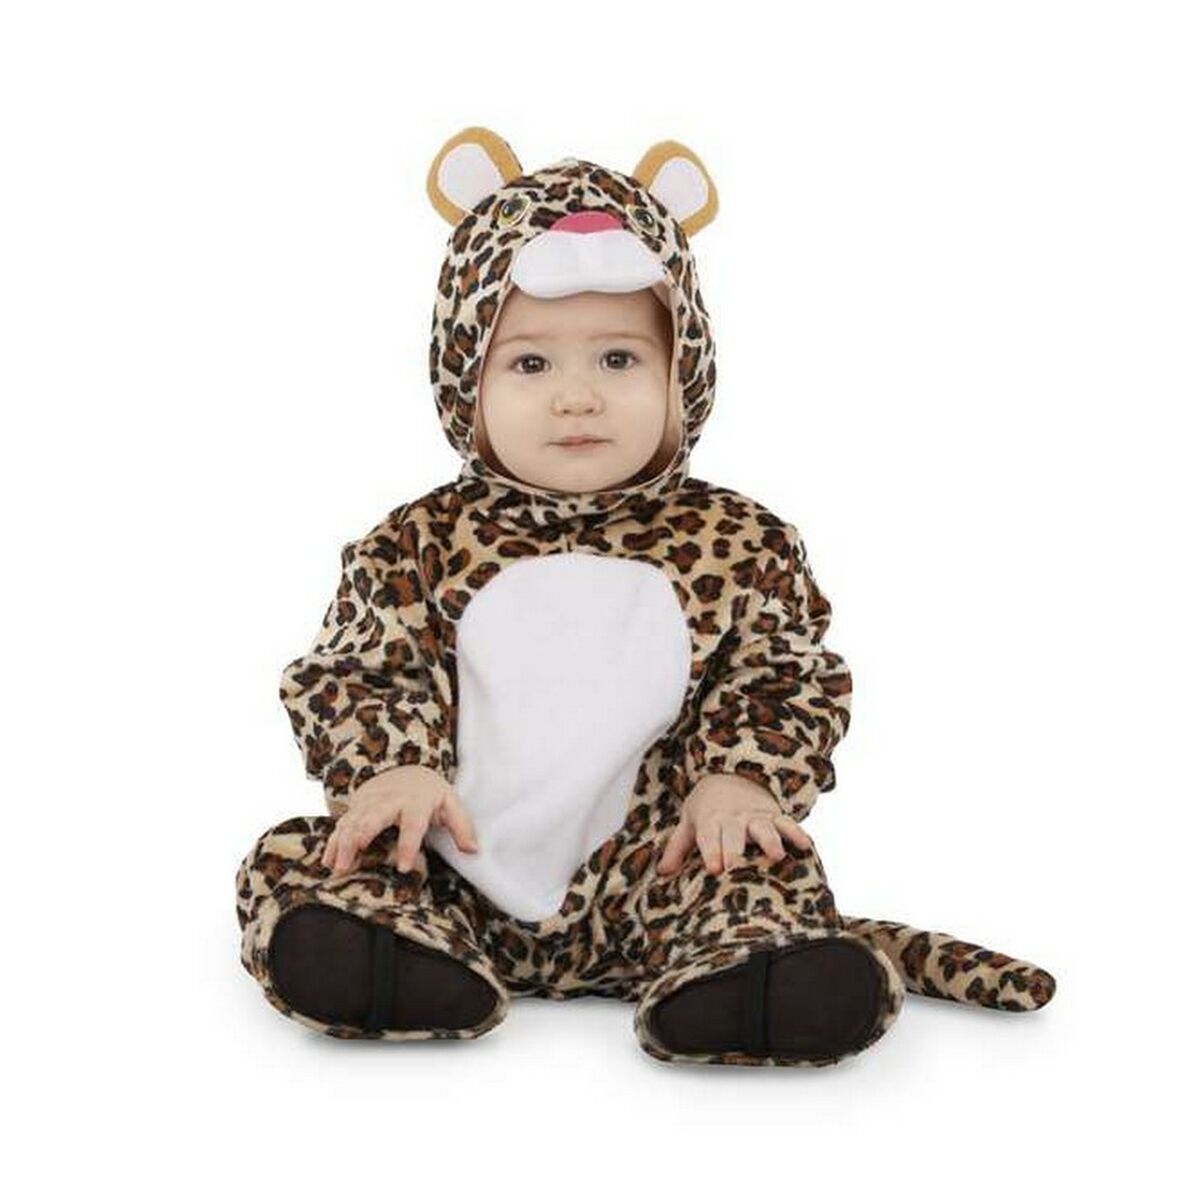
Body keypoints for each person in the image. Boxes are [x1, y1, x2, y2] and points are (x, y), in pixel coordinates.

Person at [235, 127, 1055, 1067]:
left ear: (683, 371)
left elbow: (782, 676)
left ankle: (748, 971)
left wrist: (740, 778)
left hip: (663, 877)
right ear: (464, 376)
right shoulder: (413, 544)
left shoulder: (742, 543)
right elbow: (358, 669)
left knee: (761, 869)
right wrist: (390, 770)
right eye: (531, 364)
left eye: (619, 360)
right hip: (447, 870)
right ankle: (390, 954)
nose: (576, 397)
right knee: (301, 858)